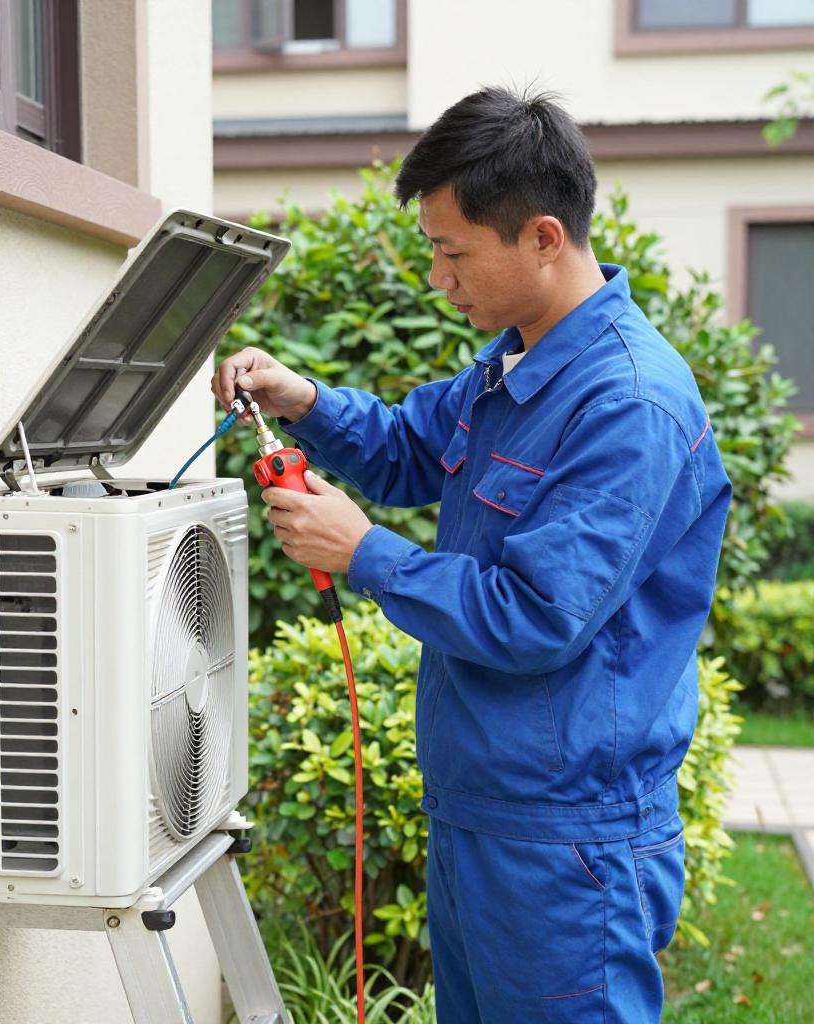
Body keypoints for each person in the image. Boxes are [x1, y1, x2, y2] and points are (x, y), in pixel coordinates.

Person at [212, 86, 731, 1024]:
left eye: (453, 253)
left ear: (543, 237)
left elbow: (536, 614)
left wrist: (366, 554)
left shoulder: (628, 404)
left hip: (566, 840)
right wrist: (304, 401)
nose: (437, 277)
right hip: (485, 810)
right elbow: (411, 447)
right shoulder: (518, 360)